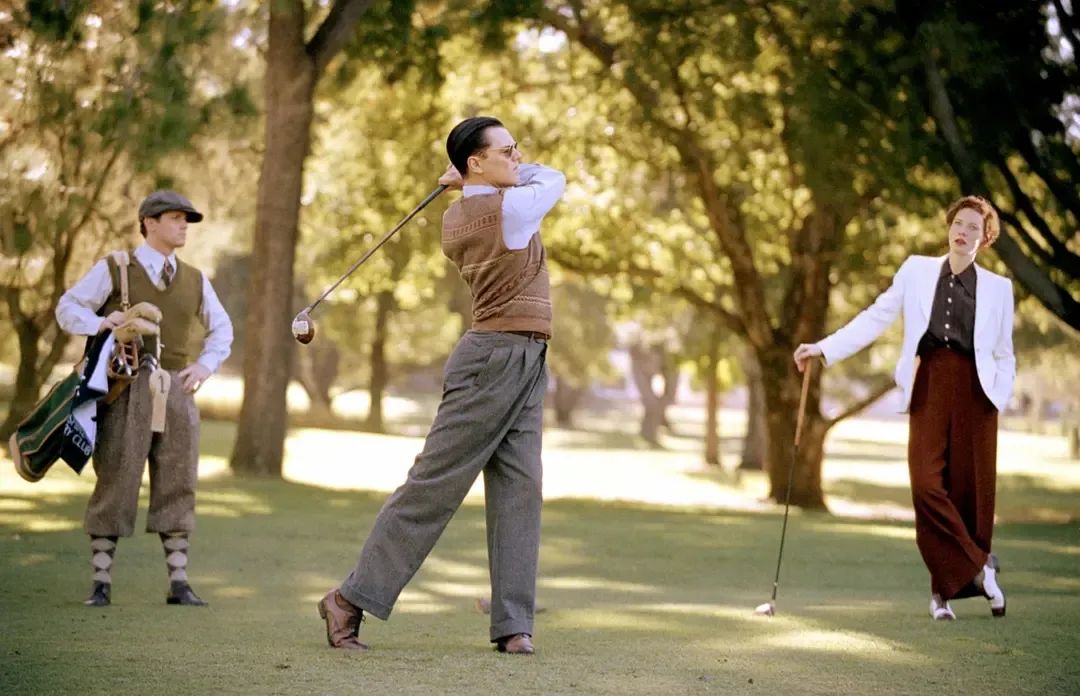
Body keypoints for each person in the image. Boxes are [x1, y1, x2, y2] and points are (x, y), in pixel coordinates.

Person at [317, 117, 565, 654]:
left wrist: (468, 178)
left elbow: (517, 179)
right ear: (476, 161)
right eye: (506, 150)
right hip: (493, 359)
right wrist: (477, 179)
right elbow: (554, 178)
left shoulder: (465, 210)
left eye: (517, 149)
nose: (518, 157)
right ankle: (348, 599)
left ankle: (513, 624)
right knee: (434, 486)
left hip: (527, 356)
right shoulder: (508, 209)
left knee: (520, 491)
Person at [793, 195, 1015, 621]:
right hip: (929, 382)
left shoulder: (1000, 290)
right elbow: (875, 317)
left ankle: (941, 597)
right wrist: (823, 348)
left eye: (973, 227)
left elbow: (1005, 353)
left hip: (977, 393)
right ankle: (980, 565)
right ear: (949, 227)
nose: (963, 231)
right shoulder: (916, 271)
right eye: (959, 223)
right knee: (927, 486)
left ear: (985, 238)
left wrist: (998, 396)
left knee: (967, 492)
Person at [56, 190, 233, 607]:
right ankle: (101, 583)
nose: (183, 225)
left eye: (186, 219)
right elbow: (68, 307)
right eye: (175, 218)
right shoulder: (117, 268)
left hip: (177, 390)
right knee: (116, 477)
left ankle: (179, 584)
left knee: (179, 481)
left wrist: (204, 366)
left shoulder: (194, 278)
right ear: (149, 223)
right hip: (125, 387)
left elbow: (222, 329)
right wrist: (103, 322)